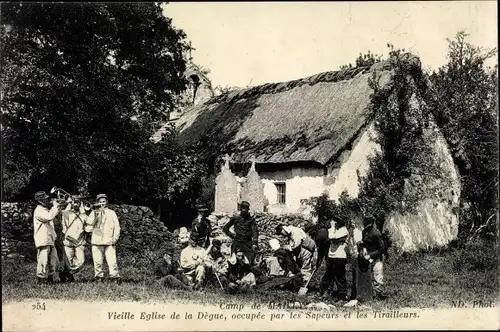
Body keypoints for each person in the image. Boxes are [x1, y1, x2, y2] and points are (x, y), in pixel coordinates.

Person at [86, 194, 121, 282]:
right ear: (97, 202)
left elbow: (117, 227)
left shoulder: (112, 213)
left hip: (109, 241)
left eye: (104, 202)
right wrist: (95, 213)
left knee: (112, 261)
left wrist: (115, 239)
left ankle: (114, 277)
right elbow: (89, 224)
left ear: (107, 202)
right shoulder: (93, 212)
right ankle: (98, 277)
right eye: (100, 202)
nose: (102, 204)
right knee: (97, 261)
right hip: (97, 241)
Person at [33, 191, 61, 284]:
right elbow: (49, 217)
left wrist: (54, 236)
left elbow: (51, 224)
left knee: (53, 259)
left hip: (49, 239)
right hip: (43, 239)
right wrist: (55, 206)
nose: (48, 200)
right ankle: (41, 278)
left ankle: (50, 277)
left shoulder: (45, 210)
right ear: (40, 201)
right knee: (43, 259)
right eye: (45, 199)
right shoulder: (39, 210)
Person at [320, 217, 349, 302]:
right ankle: (325, 293)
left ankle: (342, 296)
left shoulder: (344, 230)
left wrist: (332, 227)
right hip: (331, 255)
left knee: (340, 277)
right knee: (328, 275)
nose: (332, 223)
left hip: (340, 256)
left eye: (334, 222)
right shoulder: (334, 230)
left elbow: (332, 237)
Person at [360, 215, 388, 300]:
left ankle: (378, 294)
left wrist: (371, 255)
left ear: (371, 223)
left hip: (376, 257)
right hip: (366, 257)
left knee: (377, 275)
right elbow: (364, 243)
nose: (365, 224)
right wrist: (363, 249)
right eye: (364, 222)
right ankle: (367, 293)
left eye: (367, 222)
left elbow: (382, 248)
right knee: (366, 275)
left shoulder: (376, 233)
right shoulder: (364, 231)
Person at [60, 200, 88, 282]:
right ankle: (68, 276)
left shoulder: (83, 215)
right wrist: (68, 203)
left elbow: (88, 227)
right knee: (68, 261)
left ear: (80, 204)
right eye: (74, 202)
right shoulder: (67, 213)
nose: (76, 204)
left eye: (78, 203)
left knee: (81, 262)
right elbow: (63, 224)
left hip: (79, 241)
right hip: (68, 240)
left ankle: (67, 273)